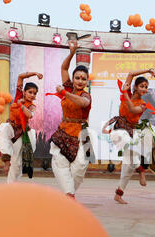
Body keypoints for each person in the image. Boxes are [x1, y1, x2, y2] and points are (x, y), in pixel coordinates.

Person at [103, 68, 155, 204]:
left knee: (129, 165)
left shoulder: (143, 104)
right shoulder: (126, 92)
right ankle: (142, 170)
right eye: (142, 86)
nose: (144, 89)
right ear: (135, 87)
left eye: (146, 87)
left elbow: (133, 109)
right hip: (118, 130)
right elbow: (131, 74)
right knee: (129, 146)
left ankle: (119, 193)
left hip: (131, 131)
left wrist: (124, 93)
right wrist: (148, 70)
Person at [49, 40, 94, 199]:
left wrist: (64, 94)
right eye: (77, 78)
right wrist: (72, 52)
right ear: (73, 79)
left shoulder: (85, 94)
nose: (80, 81)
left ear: (87, 81)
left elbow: (83, 103)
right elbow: (64, 68)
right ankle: (69, 195)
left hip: (83, 132)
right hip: (64, 130)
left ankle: (69, 192)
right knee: (60, 162)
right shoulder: (68, 86)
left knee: (82, 165)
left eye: (83, 78)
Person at [0, 71, 42, 183]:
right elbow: (20, 76)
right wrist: (35, 74)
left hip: (22, 132)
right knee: (2, 133)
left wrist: (21, 105)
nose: (32, 95)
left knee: (17, 162)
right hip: (11, 127)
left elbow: (30, 114)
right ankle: (6, 161)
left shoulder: (32, 106)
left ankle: (11, 186)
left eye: (34, 93)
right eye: (30, 92)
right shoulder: (18, 96)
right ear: (24, 92)